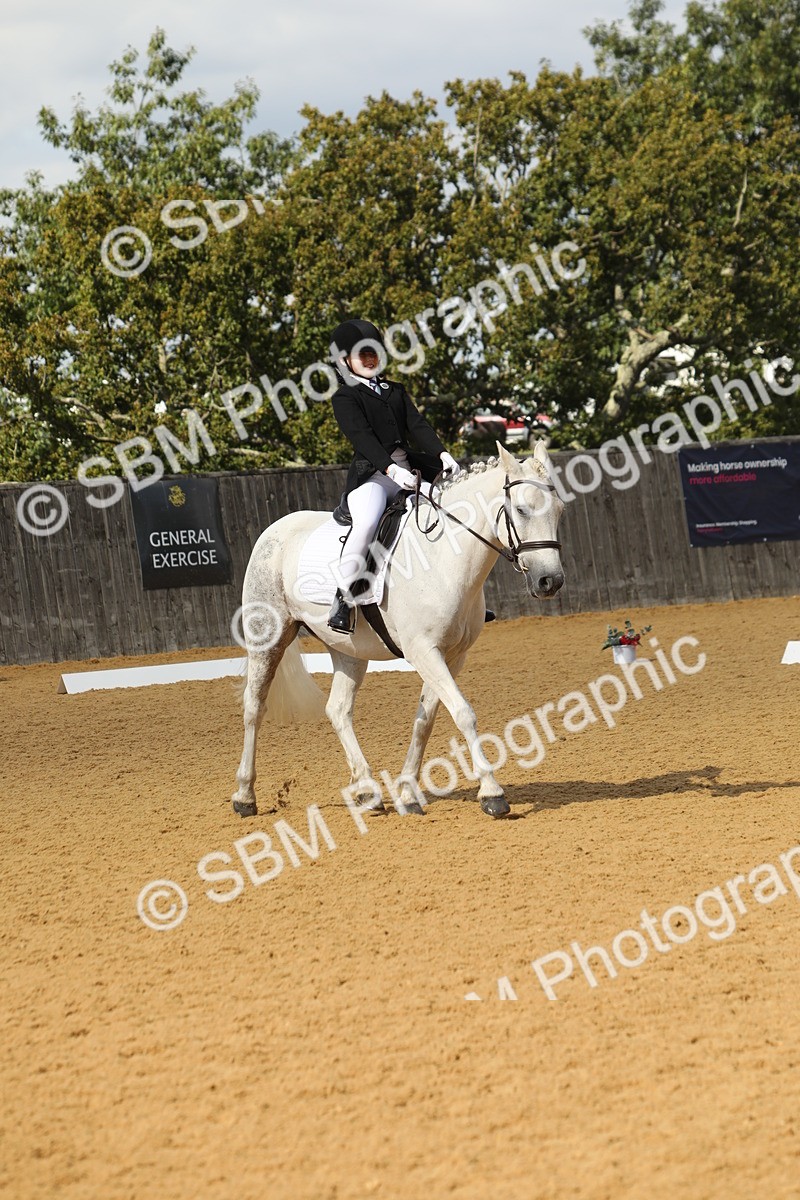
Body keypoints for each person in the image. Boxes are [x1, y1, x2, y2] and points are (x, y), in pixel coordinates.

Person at [326, 318, 461, 633]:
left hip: (410, 474)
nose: (371, 358)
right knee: (368, 522)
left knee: (447, 511)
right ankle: (343, 599)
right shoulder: (345, 397)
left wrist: (442, 454)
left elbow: (417, 425)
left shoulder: (395, 391)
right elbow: (363, 438)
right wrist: (390, 469)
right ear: (345, 361)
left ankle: (458, 595)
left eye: (374, 352)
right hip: (372, 477)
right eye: (363, 354)